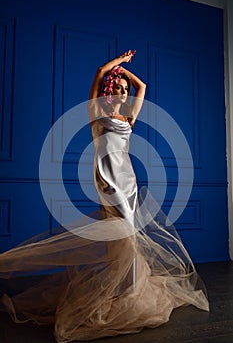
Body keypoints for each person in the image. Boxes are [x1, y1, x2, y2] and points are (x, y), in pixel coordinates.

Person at [0, 51, 209, 343]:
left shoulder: (129, 118)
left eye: (125, 91)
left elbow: (143, 88)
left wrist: (127, 77)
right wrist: (118, 65)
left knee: (128, 236)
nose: (124, 94)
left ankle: (128, 291)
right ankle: (126, 291)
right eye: (119, 90)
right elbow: (99, 71)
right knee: (123, 231)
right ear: (110, 92)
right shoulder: (96, 113)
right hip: (108, 181)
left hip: (129, 181)